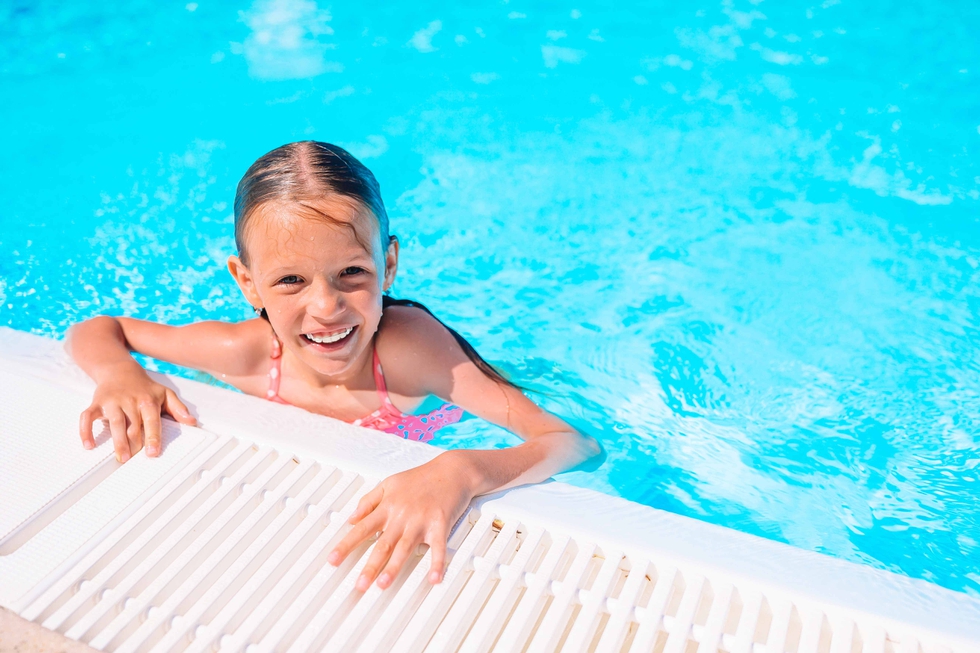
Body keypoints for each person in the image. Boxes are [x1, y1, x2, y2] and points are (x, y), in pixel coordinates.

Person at [66, 140, 601, 593]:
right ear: (247, 281)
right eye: (290, 281)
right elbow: (97, 329)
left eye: (351, 272)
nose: (326, 307)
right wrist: (121, 374)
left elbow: (570, 443)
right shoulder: (246, 353)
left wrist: (463, 469)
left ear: (388, 265)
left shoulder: (410, 351)